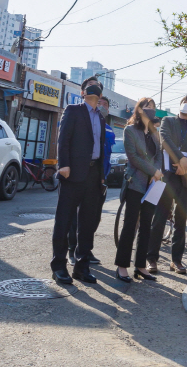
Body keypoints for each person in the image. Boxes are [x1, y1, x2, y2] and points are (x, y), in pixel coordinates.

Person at [51, 75, 106, 285]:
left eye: (98, 88)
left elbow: (101, 149)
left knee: (87, 224)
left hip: (93, 175)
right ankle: (58, 266)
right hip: (71, 173)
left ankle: (82, 267)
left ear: (101, 96)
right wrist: (63, 164)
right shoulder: (73, 110)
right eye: (90, 87)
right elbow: (62, 138)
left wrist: (101, 175)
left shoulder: (101, 117)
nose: (94, 90)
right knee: (64, 221)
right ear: (83, 92)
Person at [147, 94, 187, 274]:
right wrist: (181, 161)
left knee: (181, 220)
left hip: (184, 177)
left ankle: (176, 260)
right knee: (160, 218)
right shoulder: (168, 121)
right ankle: (152, 259)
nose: (186, 105)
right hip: (168, 176)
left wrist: (185, 163)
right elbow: (165, 140)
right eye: (184, 102)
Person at [114, 97, 163, 283]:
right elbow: (133, 157)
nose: (149, 110)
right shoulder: (130, 130)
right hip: (136, 183)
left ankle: (141, 266)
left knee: (146, 226)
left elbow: (159, 155)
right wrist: (152, 171)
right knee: (130, 224)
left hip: (153, 185)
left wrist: (156, 173)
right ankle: (121, 266)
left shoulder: (155, 133)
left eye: (152, 107)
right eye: (146, 107)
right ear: (139, 109)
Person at [68, 94, 115, 265]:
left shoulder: (108, 128)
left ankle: (86, 250)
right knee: (76, 217)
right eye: (99, 102)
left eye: (105, 104)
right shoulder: (81, 122)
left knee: (93, 217)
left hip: (100, 178)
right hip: (82, 175)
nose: (101, 106)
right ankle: (72, 250)